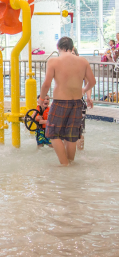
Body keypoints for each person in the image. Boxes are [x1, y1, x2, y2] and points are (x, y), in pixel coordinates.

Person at [38, 37, 95, 166]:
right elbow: (92, 82)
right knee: (71, 136)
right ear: (72, 47)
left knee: (52, 133)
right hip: (77, 103)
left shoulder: (53, 61)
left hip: (60, 102)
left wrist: (41, 99)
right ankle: (70, 164)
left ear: (58, 47)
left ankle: (64, 165)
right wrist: (83, 90)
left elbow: (46, 84)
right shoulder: (83, 61)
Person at [71, 47, 92, 150]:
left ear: (77, 56)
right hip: (65, 101)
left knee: (79, 129)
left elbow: (88, 83)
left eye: (73, 54)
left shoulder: (82, 69)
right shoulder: (63, 67)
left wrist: (88, 97)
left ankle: (80, 153)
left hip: (79, 102)